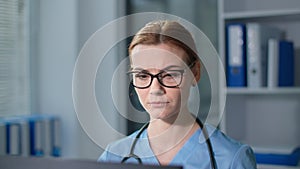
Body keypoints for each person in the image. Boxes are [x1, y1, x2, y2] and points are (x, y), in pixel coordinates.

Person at [98, 20, 257, 169]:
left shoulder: (231, 158)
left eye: (169, 74)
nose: (155, 89)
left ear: (195, 73)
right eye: (142, 76)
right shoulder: (114, 156)